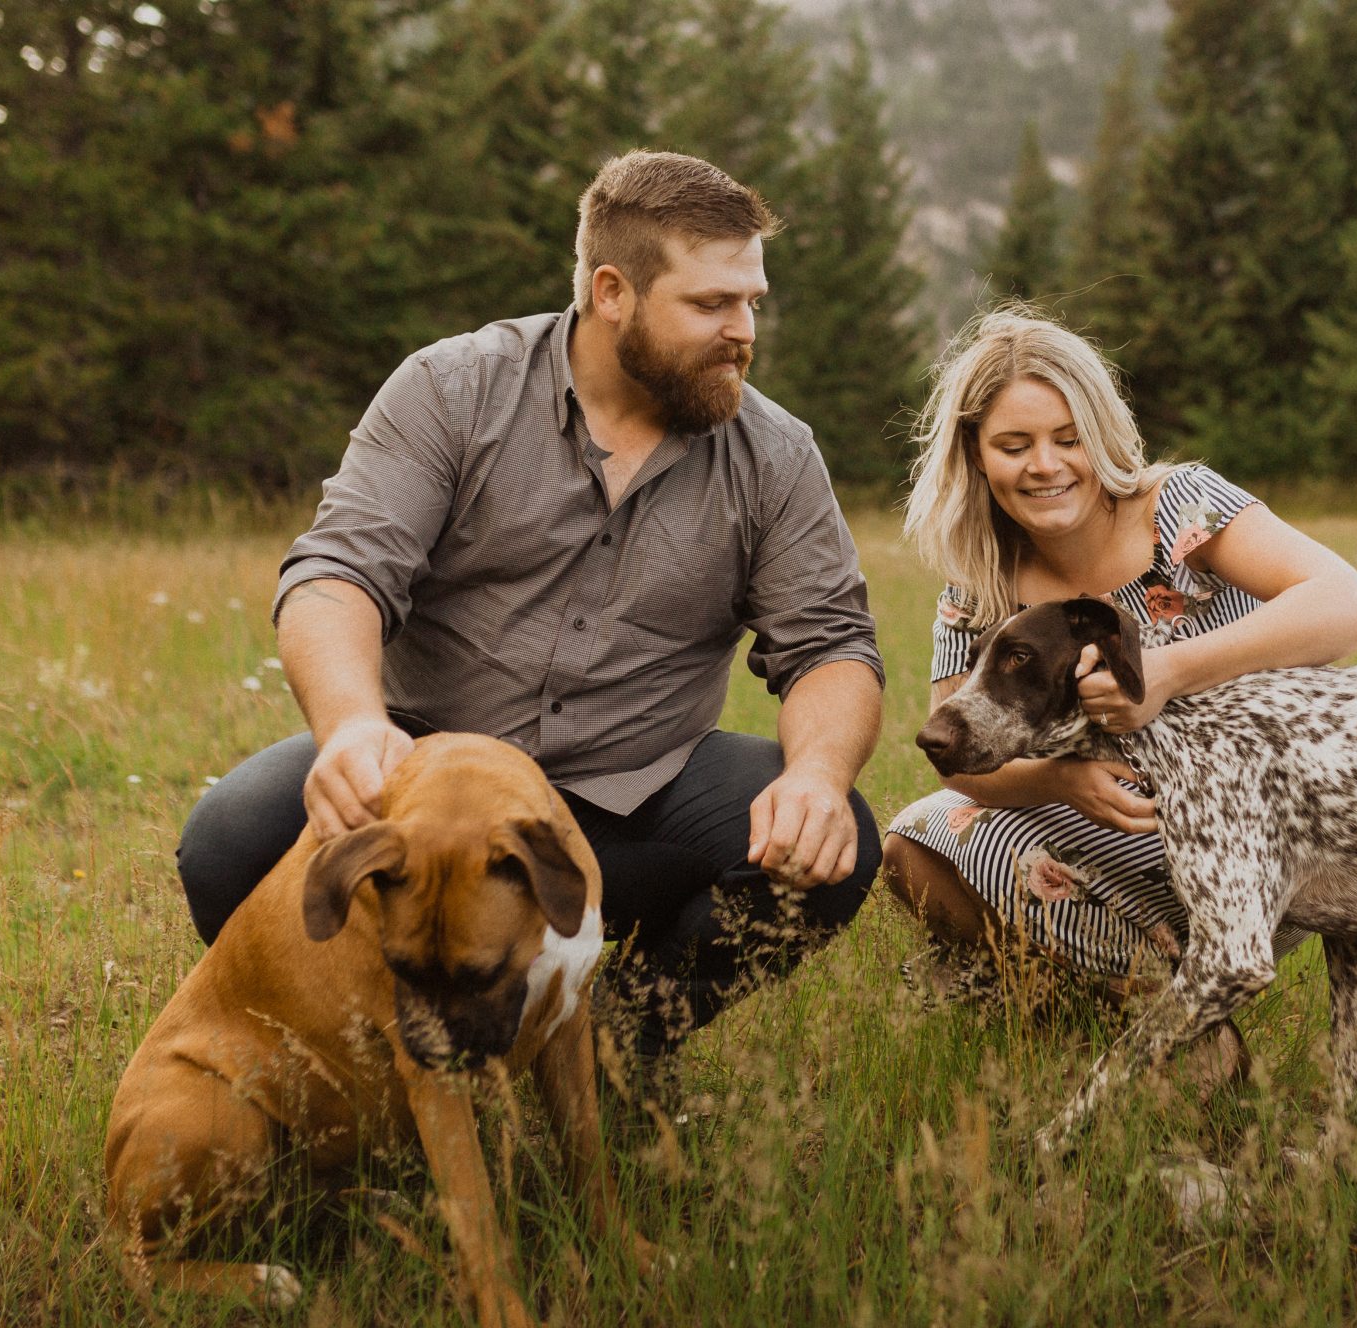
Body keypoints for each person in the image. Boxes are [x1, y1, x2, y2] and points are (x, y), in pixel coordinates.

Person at [178, 151, 885, 1060]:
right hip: (428, 783)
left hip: (637, 803)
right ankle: (370, 1053)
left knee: (834, 846)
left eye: (752, 300)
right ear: (612, 292)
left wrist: (819, 776)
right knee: (231, 839)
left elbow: (832, 645)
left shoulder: (776, 455)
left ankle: (616, 1048)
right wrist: (353, 726)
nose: (743, 330)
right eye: (711, 304)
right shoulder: (452, 389)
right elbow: (338, 572)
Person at [883, 307, 1357, 1070]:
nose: (1045, 465)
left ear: (1103, 433)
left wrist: (1165, 674)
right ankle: (1166, 1024)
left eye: (1068, 437)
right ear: (976, 455)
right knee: (919, 838)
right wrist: (1063, 781)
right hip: (1117, 829)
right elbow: (954, 754)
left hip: (1258, 837)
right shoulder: (982, 577)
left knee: (945, 837)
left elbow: (1354, 604)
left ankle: (1172, 1027)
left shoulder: (1181, 507)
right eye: (1013, 445)